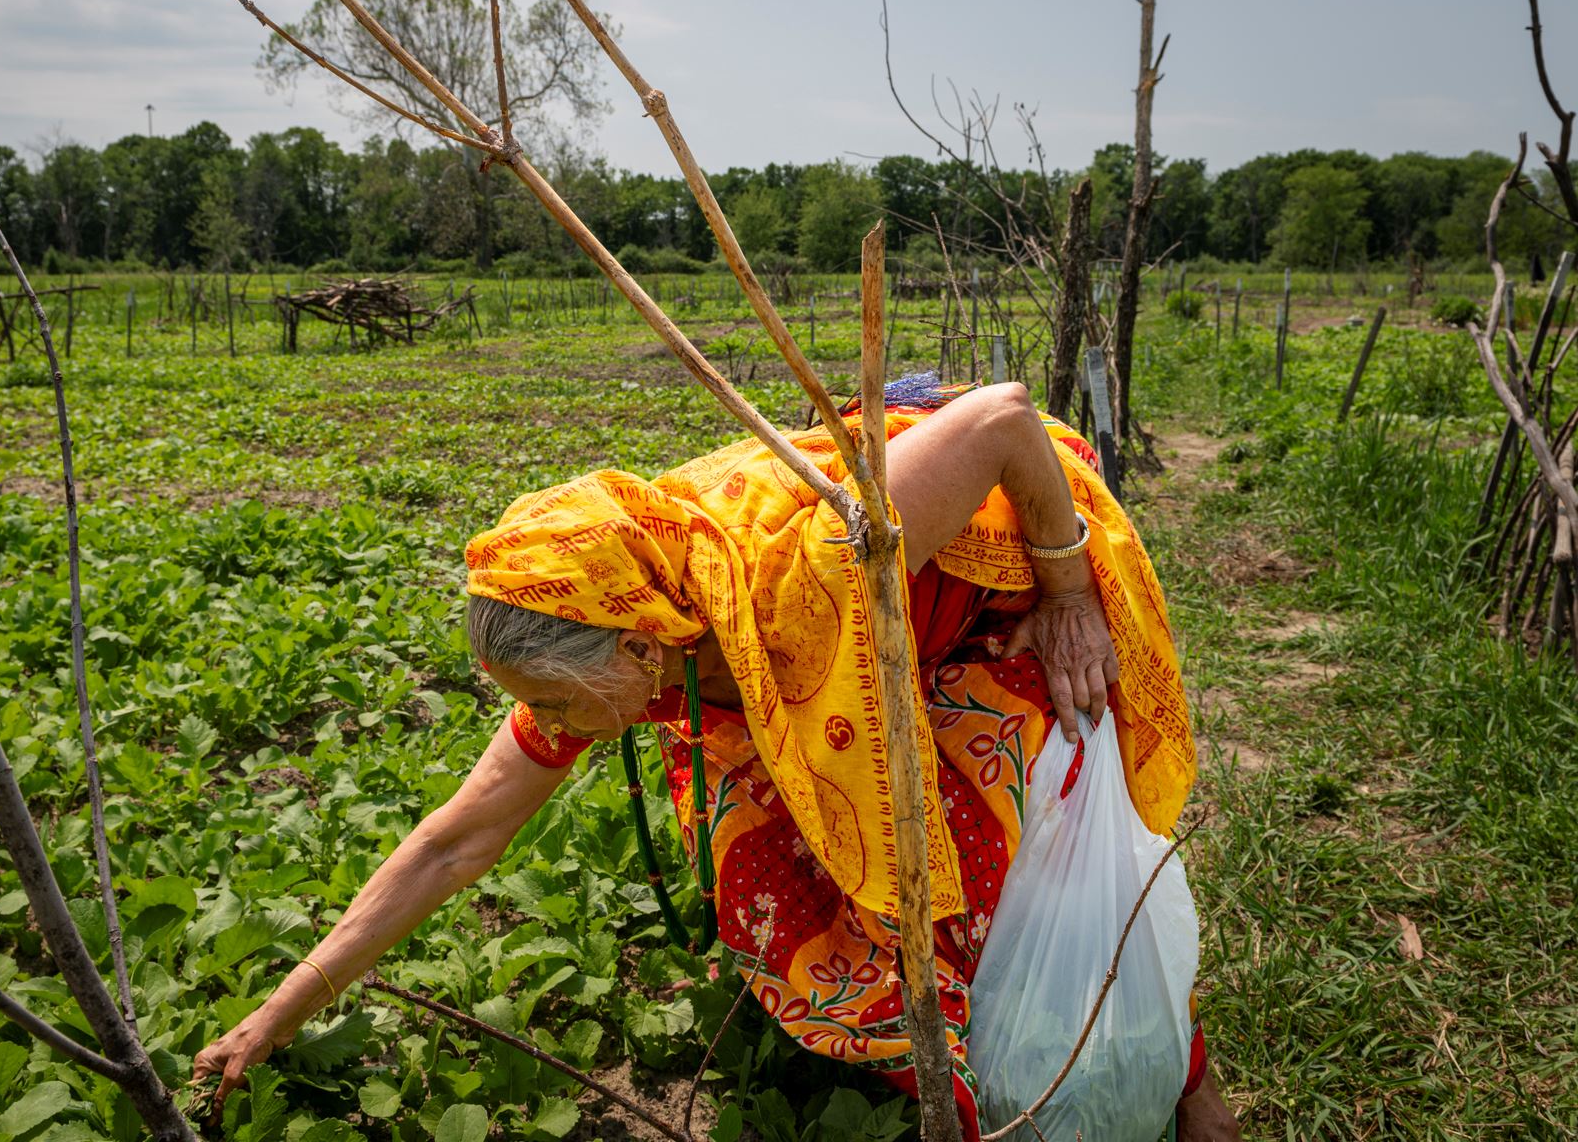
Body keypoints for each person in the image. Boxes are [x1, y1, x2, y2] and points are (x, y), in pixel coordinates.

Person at [195, 378, 1244, 1138]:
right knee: (779, 856)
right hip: (858, 665)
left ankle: (1180, 1086)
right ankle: (929, 1074)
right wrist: (279, 1012)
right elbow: (450, 846)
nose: (553, 724)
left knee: (988, 867)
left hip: (1002, 603)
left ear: (645, 648)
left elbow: (1007, 421)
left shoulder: (802, 576)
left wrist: (1064, 598)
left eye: (559, 700)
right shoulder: (629, 636)